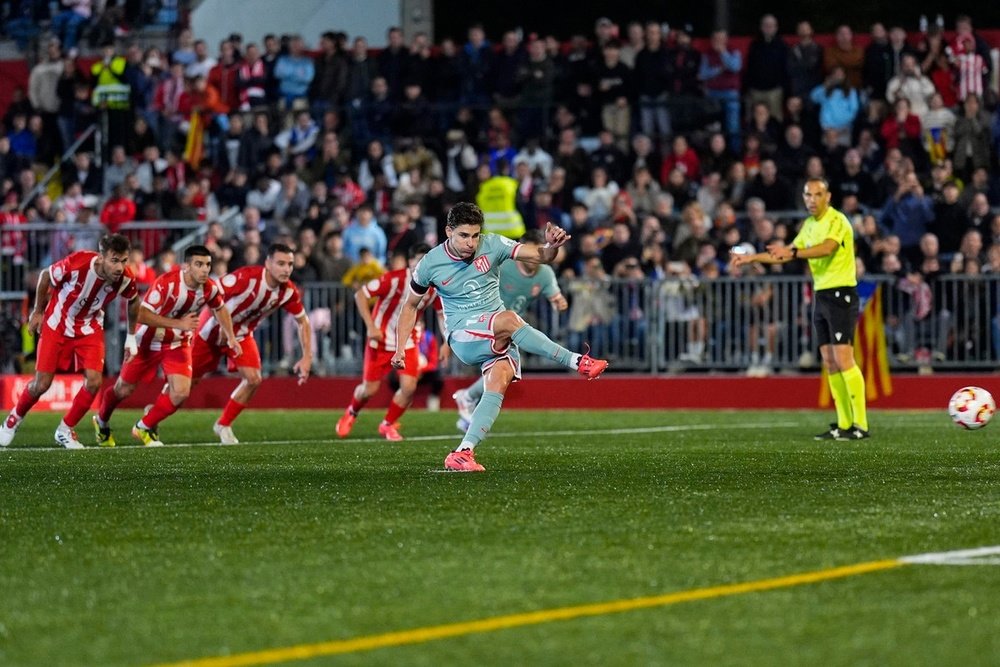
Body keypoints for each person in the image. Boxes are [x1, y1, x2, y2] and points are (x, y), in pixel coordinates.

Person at [391, 202, 609, 472]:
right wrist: (400, 348)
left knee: (500, 380)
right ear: (448, 231)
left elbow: (539, 256)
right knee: (509, 319)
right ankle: (578, 362)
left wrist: (552, 247)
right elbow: (410, 305)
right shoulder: (430, 263)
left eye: (475, 235)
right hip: (463, 334)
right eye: (463, 235)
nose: (471, 242)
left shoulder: (493, 243)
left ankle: (463, 452)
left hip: (495, 331)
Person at [730, 177, 869, 440]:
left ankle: (860, 424)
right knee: (829, 362)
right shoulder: (808, 226)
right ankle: (843, 424)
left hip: (841, 295)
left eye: (817, 195)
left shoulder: (837, 221)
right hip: (822, 296)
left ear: (827, 197)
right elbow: (784, 253)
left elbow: (826, 249)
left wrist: (792, 253)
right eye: (807, 195)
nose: (812, 200)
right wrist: (752, 258)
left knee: (844, 359)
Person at [94, 246, 241, 447]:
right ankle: (101, 421)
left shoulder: (209, 288)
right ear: (186, 266)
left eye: (207, 265)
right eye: (199, 264)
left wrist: (231, 337)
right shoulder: (167, 283)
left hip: (177, 343)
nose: (205, 270)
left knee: (181, 392)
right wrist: (179, 324)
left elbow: (220, 308)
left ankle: (144, 426)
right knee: (124, 389)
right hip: (147, 341)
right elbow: (141, 314)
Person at [0, 234, 138, 449]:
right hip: (57, 324)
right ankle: (13, 419)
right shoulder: (79, 262)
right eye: (114, 260)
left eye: (123, 260)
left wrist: (131, 337)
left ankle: (65, 430)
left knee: (94, 382)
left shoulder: (126, 278)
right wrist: (37, 312)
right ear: (102, 257)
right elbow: (46, 276)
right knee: (42, 384)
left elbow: (133, 301)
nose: (120, 267)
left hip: (89, 328)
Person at [189, 243, 312, 444]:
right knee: (184, 386)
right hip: (211, 329)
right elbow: (211, 292)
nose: (287, 269)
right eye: (281, 263)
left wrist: (307, 356)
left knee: (254, 379)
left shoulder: (288, 291)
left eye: (289, 264)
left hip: (242, 334)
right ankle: (152, 419)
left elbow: (303, 321)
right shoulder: (247, 277)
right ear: (268, 264)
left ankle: (223, 424)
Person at [452, 228, 569, 432]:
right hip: (485, 320)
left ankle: (468, 406)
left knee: (506, 371)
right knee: (503, 369)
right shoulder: (505, 265)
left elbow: (554, 295)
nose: (533, 258)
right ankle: (468, 398)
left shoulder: (545, 273)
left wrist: (559, 302)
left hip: (510, 327)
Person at [335, 244, 444, 441]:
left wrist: (446, 341)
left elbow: (441, 314)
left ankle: (387, 424)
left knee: (409, 387)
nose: (422, 265)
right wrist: (370, 326)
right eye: (418, 260)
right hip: (380, 340)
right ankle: (351, 412)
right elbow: (360, 294)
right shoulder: (394, 279)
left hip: (407, 342)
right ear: (410, 262)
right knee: (369, 390)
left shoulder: (434, 288)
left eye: (427, 261)